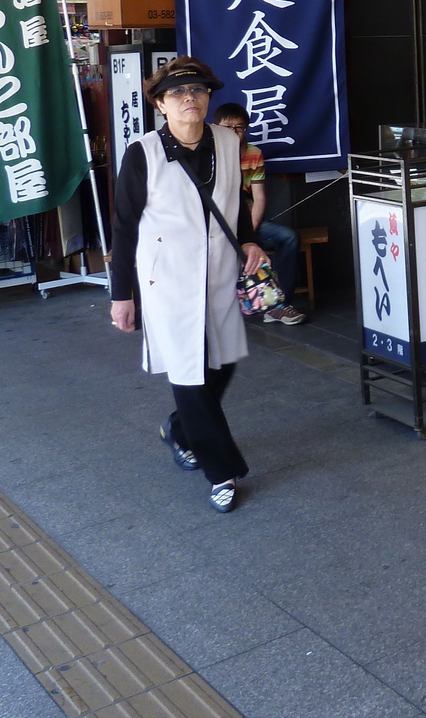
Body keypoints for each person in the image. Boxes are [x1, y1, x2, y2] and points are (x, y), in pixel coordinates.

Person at [109, 57, 269, 514]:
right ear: (160, 104)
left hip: (218, 272)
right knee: (189, 372)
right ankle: (220, 471)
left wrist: (249, 240)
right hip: (168, 280)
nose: (190, 99)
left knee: (223, 363)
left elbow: (235, 201)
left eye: (198, 91)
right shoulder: (143, 153)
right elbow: (123, 227)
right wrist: (123, 295)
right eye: (178, 94)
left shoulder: (227, 142)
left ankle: (181, 429)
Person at [212, 102, 305, 326]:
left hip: (247, 223)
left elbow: (260, 197)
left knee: (288, 236)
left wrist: (248, 237)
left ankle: (278, 306)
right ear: (215, 127)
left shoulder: (254, 154)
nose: (234, 132)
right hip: (215, 225)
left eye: (240, 127)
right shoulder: (208, 155)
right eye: (227, 127)